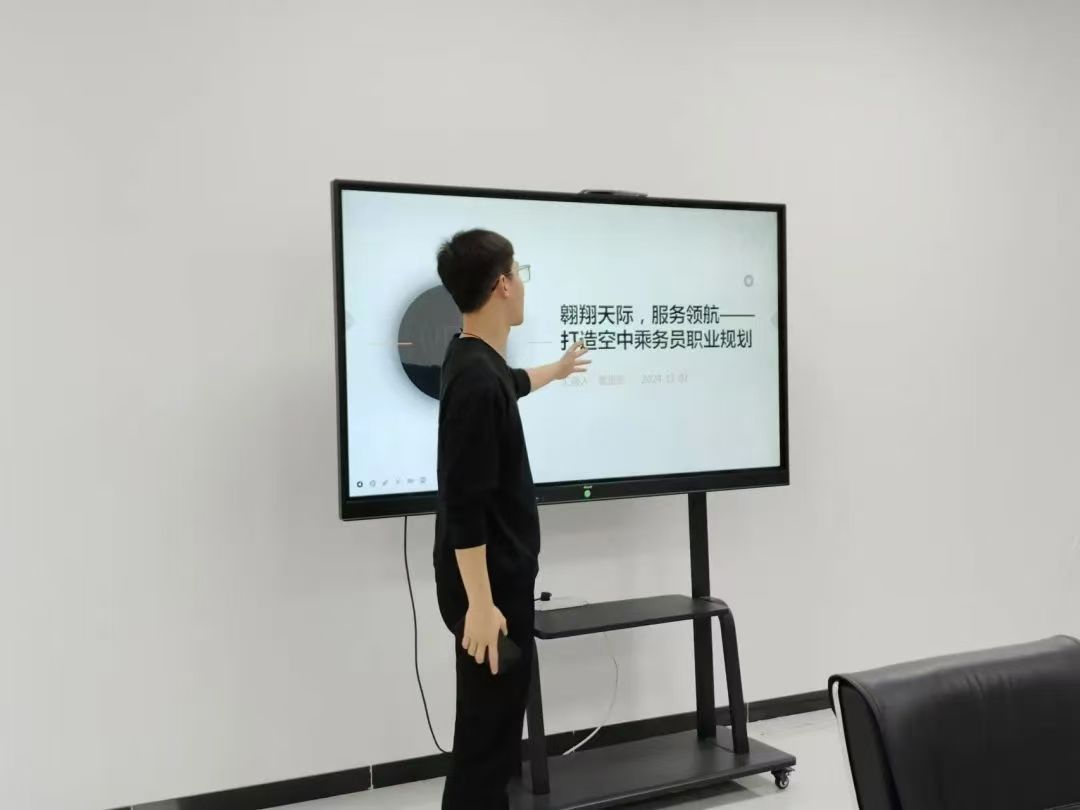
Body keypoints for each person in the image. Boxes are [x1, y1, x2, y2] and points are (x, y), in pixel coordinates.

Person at [433, 229, 589, 809]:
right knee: (486, 745)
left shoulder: (474, 358)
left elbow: (513, 385)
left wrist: (559, 369)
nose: (522, 283)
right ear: (502, 285)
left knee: (493, 737)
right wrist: (481, 605)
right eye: (519, 272)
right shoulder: (477, 379)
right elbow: (464, 504)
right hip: (490, 593)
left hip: (495, 585)